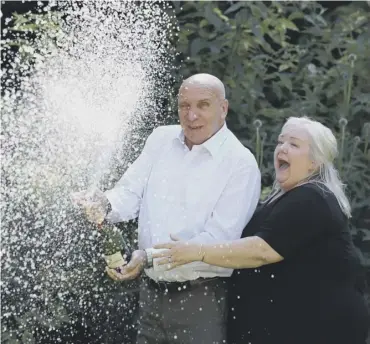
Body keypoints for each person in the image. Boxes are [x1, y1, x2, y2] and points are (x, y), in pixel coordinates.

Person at [72, 73, 261, 343]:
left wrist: (147, 257)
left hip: (201, 298)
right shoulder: (162, 139)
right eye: (184, 105)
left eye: (202, 105)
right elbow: (130, 192)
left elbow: (217, 242)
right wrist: (105, 202)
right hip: (150, 294)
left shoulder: (240, 164)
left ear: (223, 108)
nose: (191, 115)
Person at [153, 116, 369, 344]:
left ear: (314, 162)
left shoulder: (312, 197)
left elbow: (262, 251)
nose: (282, 148)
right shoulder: (286, 198)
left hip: (319, 329)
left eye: (293, 144)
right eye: (280, 142)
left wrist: (198, 251)